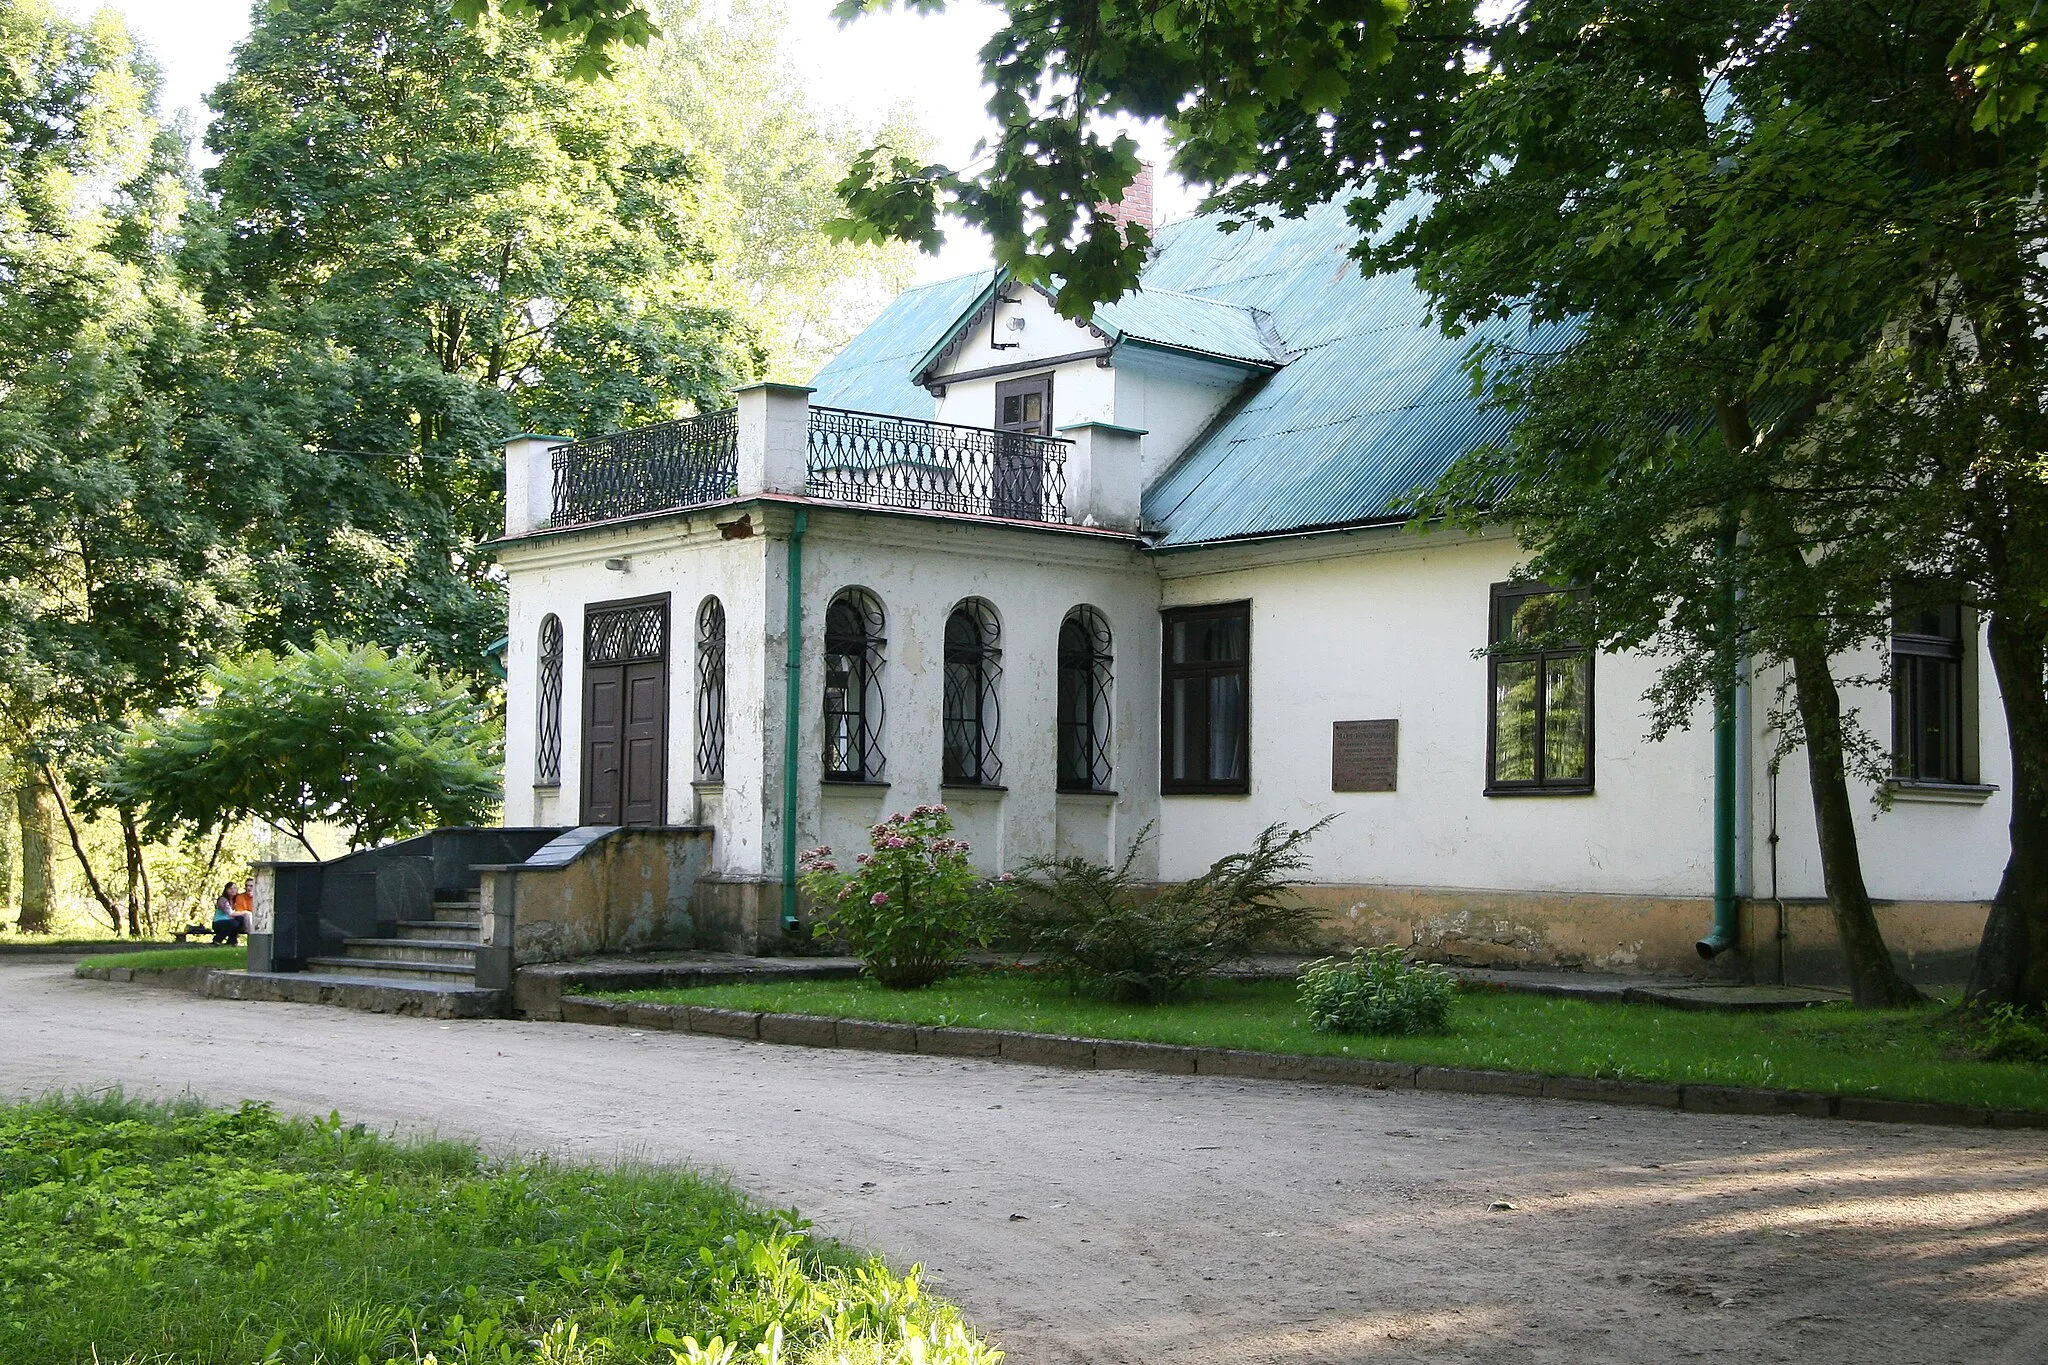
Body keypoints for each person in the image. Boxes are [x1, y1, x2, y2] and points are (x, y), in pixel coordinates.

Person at [211, 882, 251, 946]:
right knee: (234, 923)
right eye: (230, 888)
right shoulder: (223, 900)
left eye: (234, 888)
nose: (233, 890)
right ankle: (217, 939)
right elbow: (230, 913)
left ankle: (232, 940)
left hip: (230, 922)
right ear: (226, 890)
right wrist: (245, 912)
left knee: (240, 919)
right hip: (219, 923)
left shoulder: (235, 900)